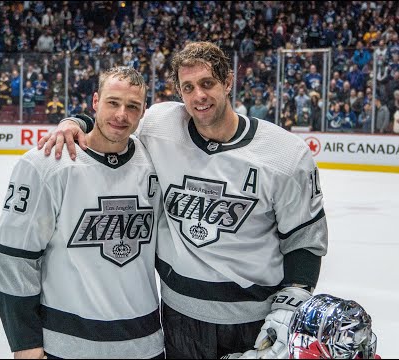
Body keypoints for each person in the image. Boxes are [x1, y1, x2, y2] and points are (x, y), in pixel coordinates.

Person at [38, 41, 328, 359]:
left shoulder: (284, 154)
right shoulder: (162, 125)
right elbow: (118, 119)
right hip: (178, 318)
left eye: (207, 84)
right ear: (179, 91)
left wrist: (291, 305)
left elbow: (304, 241)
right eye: (188, 87)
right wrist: (74, 122)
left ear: (228, 82)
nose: (198, 96)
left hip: (254, 322)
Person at [0, 67, 165, 359]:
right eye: (113, 102)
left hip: (145, 344)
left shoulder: (154, 161)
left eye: (132, 106)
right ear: (95, 101)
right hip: (67, 345)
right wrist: (24, 342)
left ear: (143, 111)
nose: (122, 114)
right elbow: (14, 260)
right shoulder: (45, 164)